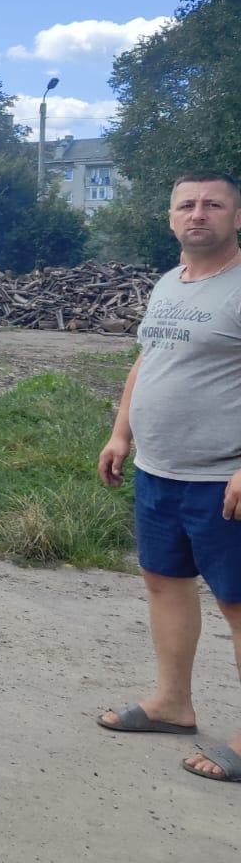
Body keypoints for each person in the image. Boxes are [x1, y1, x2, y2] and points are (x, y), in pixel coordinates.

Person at [97, 171, 241, 785]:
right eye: (187, 204)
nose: (198, 213)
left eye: (213, 204)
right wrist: (121, 432)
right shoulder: (168, 284)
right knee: (164, 582)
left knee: (239, 604)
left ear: (238, 216)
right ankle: (173, 704)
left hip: (222, 480)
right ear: (171, 218)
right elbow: (147, 360)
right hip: (160, 471)